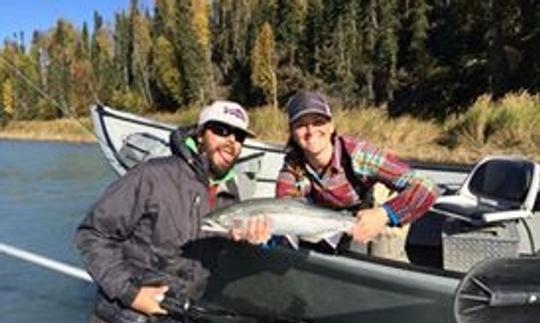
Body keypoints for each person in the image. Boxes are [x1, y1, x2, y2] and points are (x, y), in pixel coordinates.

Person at [75, 100, 266, 323]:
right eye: (221, 131)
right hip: (124, 316)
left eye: (239, 136)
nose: (231, 141)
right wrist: (131, 294)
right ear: (200, 134)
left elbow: (209, 266)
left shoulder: (231, 196)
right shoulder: (153, 176)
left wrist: (244, 244)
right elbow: (92, 234)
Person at [275, 91, 439, 253]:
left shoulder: (359, 154)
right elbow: (284, 207)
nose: (310, 131)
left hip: (374, 209)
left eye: (318, 122)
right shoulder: (292, 167)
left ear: (331, 127)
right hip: (329, 218)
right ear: (292, 133)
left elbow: (428, 187)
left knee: (383, 245)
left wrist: (384, 214)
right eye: (301, 125)